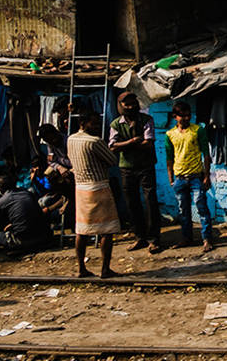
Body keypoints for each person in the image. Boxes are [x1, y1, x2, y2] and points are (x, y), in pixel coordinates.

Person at [65, 112, 121, 278]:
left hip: (80, 188)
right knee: (107, 230)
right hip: (98, 187)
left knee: (81, 230)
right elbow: (112, 160)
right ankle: (105, 269)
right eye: (94, 123)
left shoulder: (70, 139)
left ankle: (81, 268)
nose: (97, 127)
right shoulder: (95, 141)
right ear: (83, 123)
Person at [109, 91, 164, 253]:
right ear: (120, 106)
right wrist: (133, 141)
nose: (131, 106)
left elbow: (149, 143)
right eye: (127, 104)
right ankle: (139, 237)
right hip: (126, 168)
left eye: (133, 102)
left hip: (146, 166)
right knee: (132, 203)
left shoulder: (147, 120)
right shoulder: (115, 124)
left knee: (150, 201)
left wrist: (124, 144)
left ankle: (154, 239)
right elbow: (112, 146)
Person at [165, 101, 215, 252]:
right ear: (175, 117)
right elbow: (169, 157)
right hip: (179, 177)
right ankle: (186, 238)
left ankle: (206, 239)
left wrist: (207, 176)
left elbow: (206, 154)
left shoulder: (198, 130)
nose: (186, 118)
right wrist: (171, 178)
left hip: (196, 177)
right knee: (183, 211)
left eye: (188, 115)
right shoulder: (170, 135)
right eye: (183, 116)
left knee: (202, 208)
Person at [0, 175, 50, 252]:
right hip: (42, 236)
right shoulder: (28, 193)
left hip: (22, 240)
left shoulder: (1, 201)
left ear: (0, 188)